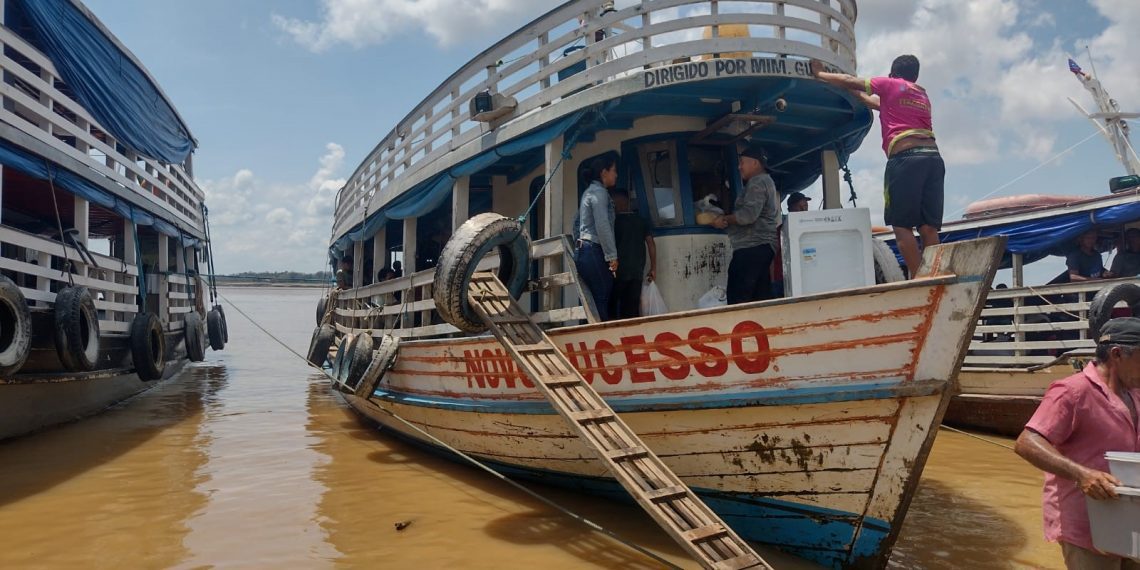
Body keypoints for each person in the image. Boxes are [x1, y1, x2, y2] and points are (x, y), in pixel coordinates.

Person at [1014, 317, 1140, 569]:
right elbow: (1027, 442)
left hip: (1131, 520)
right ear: (1117, 354)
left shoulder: (1134, 392)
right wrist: (1081, 474)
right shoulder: (1072, 391)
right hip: (1087, 526)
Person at [811, 55, 944, 279]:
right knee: (928, 227)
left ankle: (921, 280)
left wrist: (820, 74)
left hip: (906, 159)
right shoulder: (921, 94)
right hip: (933, 159)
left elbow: (850, 80)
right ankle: (935, 275)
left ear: (893, 73)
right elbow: (872, 102)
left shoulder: (890, 84)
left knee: (901, 227)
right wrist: (856, 94)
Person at [713, 146, 780, 304]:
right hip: (764, 247)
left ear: (755, 163)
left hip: (751, 248)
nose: (739, 167)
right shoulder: (768, 181)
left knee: (739, 299)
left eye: (742, 162)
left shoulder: (757, 182)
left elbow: (748, 216)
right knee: (760, 299)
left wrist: (724, 220)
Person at [574, 154, 619, 321]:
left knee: (591, 299)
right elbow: (602, 225)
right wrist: (612, 256)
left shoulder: (588, 193)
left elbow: (576, 222)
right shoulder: (599, 193)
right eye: (613, 171)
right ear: (603, 172)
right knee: (602, 294)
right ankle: (601, 339)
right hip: (593, 249)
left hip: (584, 250)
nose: (616, 175)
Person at [609, 188, 656, 319]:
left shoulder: (614, 222)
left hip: (618, 273)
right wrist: (653, 268)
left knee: (613, 306)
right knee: (632, 309)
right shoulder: (642, 221)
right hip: (637, 272)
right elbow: (651, 244)